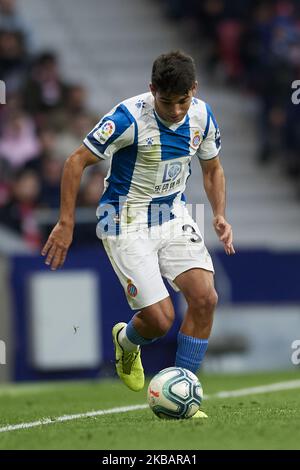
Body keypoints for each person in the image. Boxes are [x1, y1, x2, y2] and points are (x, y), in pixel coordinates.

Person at [41, 51, 235, 418]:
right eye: (167, 101)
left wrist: (220, 214)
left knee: (205, 298)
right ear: (151, 90)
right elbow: (75, 161)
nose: (176, 110)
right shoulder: (128, 117)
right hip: (124, 221)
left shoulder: (202, 115)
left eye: (183, 100)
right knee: (160, 321)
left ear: (193, 90)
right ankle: (126, 341)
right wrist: (65, 223)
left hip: (172, 214)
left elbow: (213, 169)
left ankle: (183, 395)